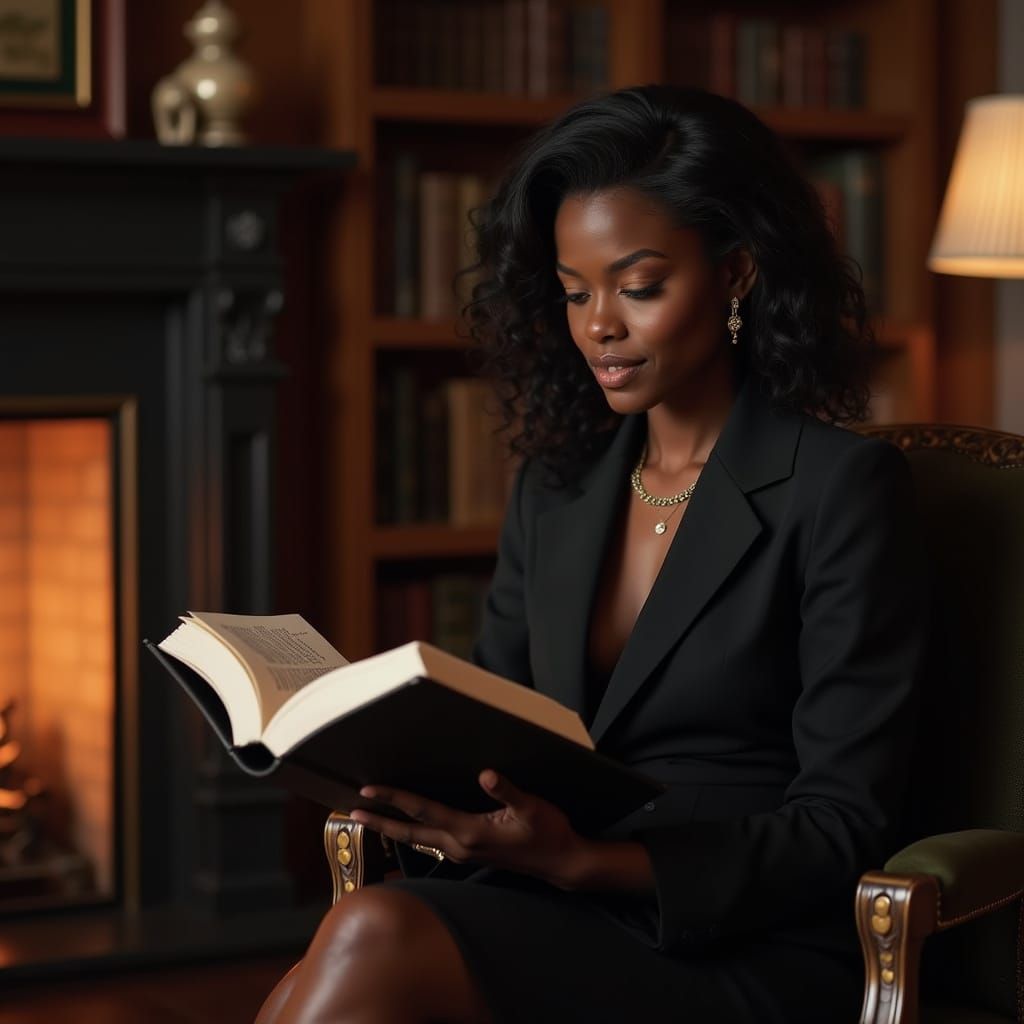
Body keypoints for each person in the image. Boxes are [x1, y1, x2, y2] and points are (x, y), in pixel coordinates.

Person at [257, 84, 927, 1024]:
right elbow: (493, 720)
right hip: (546, 897)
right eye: (575, 292)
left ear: (736, 273)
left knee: (370, 938)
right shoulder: (559, 487)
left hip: (734, 935)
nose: (597, 326)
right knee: (356, 941)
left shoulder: (842, 488)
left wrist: (583, 859)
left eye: (639, 286)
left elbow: (841, 826)